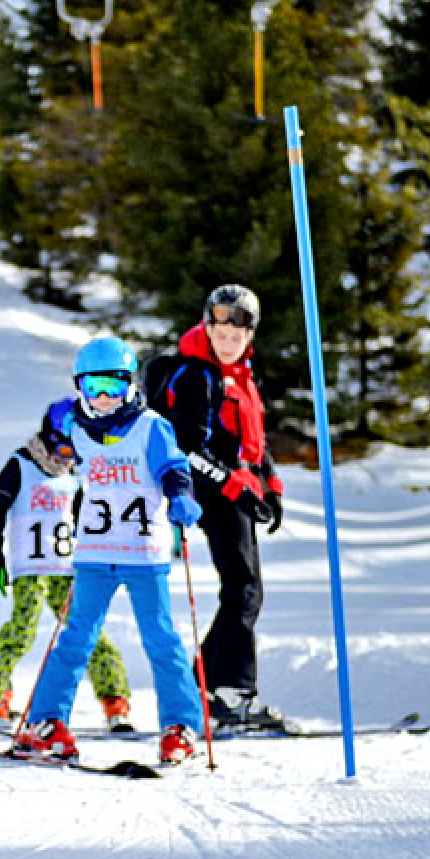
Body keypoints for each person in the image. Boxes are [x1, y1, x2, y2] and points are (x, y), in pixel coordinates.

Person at [14, 336, 207, 767]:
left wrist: (180, 495)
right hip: (95, 554)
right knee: (75, 638)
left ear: (129, 384)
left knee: (160, 639)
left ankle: (180, 726)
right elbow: (49, 457)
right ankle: (46, 722)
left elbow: (173, 467)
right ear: (79, 388)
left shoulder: (151, 426)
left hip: (143, 553)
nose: (104, 397)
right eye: (93, 387)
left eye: (114, 386)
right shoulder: (78, 430)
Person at [141, 284, 286, 731]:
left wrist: (271, 486)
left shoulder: (240, 375)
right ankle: (232, 693)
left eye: (236, 335)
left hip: (236, 490)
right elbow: (187, 448)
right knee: (244, 589)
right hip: (212, 491)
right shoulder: (196, 374)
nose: (227, 342)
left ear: (249, 335)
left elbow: (252, 442)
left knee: (241, 589)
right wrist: (233, 486)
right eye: (219, 333)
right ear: (207, 326)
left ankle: (201, 688)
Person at [0, 400, 132, 732]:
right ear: (49, 438)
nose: (67, 458)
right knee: (21, 632)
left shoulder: (74, 477)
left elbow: (87, 522)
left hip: (66, 570)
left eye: (76, 451)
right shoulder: (20, 465)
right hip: (31, 568)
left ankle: (115, 699)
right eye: (64, 449)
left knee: (88, 631)